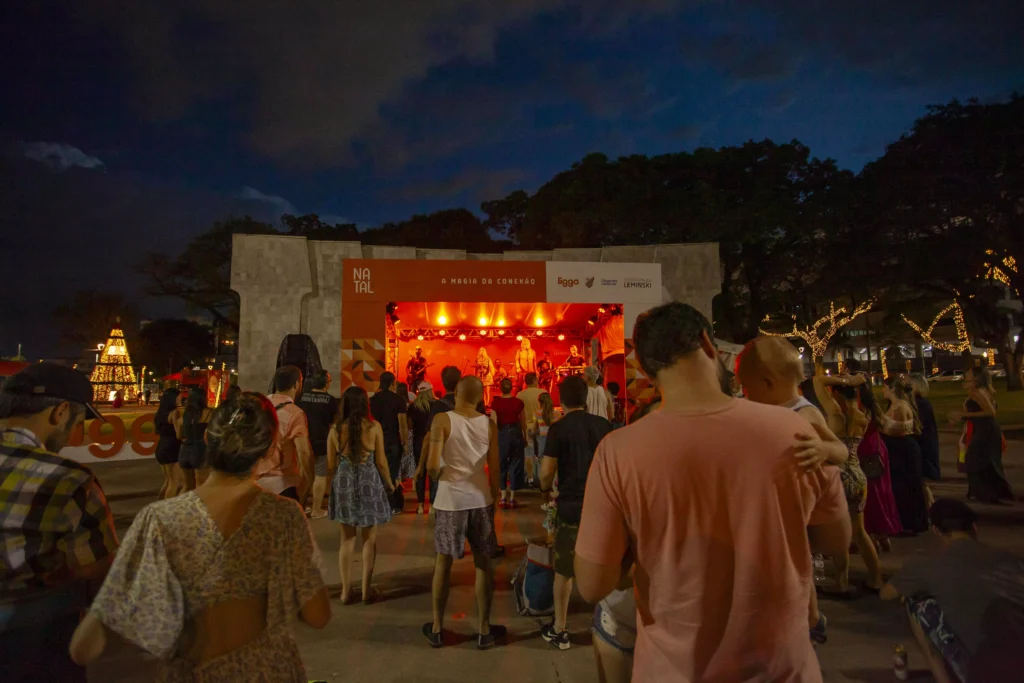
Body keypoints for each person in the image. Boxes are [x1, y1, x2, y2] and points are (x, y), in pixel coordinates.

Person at [574, 302, 850, 682]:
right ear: (707, 342)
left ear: (647, 369)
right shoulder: (794, 429)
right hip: (783, 670)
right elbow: (835, 540)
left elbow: (591, 585)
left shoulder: (618, 452)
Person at [69, 392, 331, 681]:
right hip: (269, 672)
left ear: (208, 439)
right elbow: (316, 614)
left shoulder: (159, 520)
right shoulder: (283, 516)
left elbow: (85, 647)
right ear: (271, 448)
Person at [0, 363, 119, 683]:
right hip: (32, 643)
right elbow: (99, 570)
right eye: (78, 423)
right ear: (61, 412)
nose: (72, 435)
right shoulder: (68, 478)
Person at [736, 336, 858, 640]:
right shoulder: (768, 408)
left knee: (797, 562)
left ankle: (813, 621)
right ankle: (812, 618)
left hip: (801, 509)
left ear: (768, 383)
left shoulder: (804, 414)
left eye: (747, 389)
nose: (744, 396)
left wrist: (822, 449)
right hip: (781, 505)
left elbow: (841, 450)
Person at [881, 499, 1024, 683]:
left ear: (936, 531)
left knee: (915, 602)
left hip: (985, 671)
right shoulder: (1011, 560)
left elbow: (886, 594)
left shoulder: (925, 565)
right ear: (974, 527)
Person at [422, 376, 505, 650]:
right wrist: (495, 493)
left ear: (455, 392)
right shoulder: (489, 424)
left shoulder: (442, 421)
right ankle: (483, 630)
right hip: (480, 499)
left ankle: (436, 628)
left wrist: (440, 476)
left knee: (442, 566)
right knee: (483, 565)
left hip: (449, 501)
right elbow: (493, 469)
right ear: (481, 397)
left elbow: (433, 466)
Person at [538, 375, 612, 650]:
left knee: (564, 571)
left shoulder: (559, 429)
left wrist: (545, 488)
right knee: (607, 565)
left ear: (561, 399)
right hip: (603, 507)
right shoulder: (604, 425)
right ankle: (609, 623)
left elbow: (546, 474)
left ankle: (560, 629)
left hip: (571, 507)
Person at [327, 386, 395, 604]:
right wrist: (390, 484)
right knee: (369, 539)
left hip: (344, 481)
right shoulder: (374, 427)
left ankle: (346, 591)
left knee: (346, 539)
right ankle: (366, 591)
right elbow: (382, 462)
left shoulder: (335, 430)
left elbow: (330, 465)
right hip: (369, 480)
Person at [949, 366, 1013, 504]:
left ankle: (987, 493)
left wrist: (963, 415)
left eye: (969, 374)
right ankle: (988, 492)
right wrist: (961, 417)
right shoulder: (977, 391)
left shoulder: (977, 392)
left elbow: (990, 412)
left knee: (975, 460)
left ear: (977, 378)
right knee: (985, 461)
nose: (966, 374)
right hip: (984, 429)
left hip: (986, 430)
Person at [856, 382, 904, 549]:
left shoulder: (859, 411)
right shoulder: (875, 408)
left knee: (868, 493)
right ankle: (883, 534)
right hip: (877, 448)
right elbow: (886, 426)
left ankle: (872, 534)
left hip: (866, 450)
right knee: (881, 490)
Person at [256, 366, 314, 503]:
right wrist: (308, 481)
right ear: (296, 384)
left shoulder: (258, 407)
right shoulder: (294, 413)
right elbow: (304, 452)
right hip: (282, 486)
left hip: (254, 485)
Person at [882, 375, 931, 534]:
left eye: (885, 387)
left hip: (904, 450)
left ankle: (913, 522)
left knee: (908, 486)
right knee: (900, 486)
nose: (882, 390)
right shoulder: (894, 405)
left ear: (892, 389)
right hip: (899, 450)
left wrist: (879, 425)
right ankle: (904, 520)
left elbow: (898, 430)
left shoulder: (901, 407)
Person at [297, 370, 340, 518]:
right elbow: (334, 424)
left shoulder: (301, 398)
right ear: (325, 383)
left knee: (304, 474)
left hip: (302, 440)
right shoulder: (330, 401)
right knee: (320, 476)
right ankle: (316, 509)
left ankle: (300, 507)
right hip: (321, 441)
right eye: (329, 380)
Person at [369, 372, 408, 513]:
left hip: (375, 439)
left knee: (378, 471)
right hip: (393, 440)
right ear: (393, 383)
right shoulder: (399, 400)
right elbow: (402, 423)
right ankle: (391, 504)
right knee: (391, 472)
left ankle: (378, 502)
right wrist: (405, 442)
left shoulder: (373, 400)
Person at [490, 377, 526, 508]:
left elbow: (493, 422)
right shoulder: (518, 402)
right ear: (512, 388)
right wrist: (525, 436)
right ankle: (512, 498)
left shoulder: (496, 403)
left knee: (501, 464)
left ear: (500, 388)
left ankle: (503, 497)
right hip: (516, 432)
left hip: (502, 433)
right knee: (515, 463)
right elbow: (523, 422)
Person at [176, 388, 214, 492]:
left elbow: (179, 436)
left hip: (185, 450)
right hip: (201, 450)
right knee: (201, 485)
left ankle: (179, 507)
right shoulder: (209, 414)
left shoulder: (185, 416)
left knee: (187, 486)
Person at [409, 381, 437, 514]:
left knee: (420, 473)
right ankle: (432, 505)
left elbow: (409, 425)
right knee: (433, 473)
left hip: (418, 441)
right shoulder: (436, 405)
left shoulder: (413, 406)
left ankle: (420, 505)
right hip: (434, 442)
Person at [517, 372, 548, 487]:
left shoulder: (520, 395)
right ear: (535, 381)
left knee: (528, 454)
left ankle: (529, 479)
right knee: (541, 454)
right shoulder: (543, 393)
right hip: (541, 426)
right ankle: (541, 478)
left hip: (526, 426)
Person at [910, 374, 942, 481]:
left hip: (923, 443)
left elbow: (919, 424)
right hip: (925, 441)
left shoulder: (920, 404)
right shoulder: (921, 402)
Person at [153, 387, 183, 500]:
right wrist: (181, 424)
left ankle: (158, 504)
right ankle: (166, 509)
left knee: (168, 481)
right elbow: (178, 434)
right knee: (174, 483)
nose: (181, 398)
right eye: (179, 396)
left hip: (161, 447)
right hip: (172, 448)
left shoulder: (159, 413)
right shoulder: (175, 413)